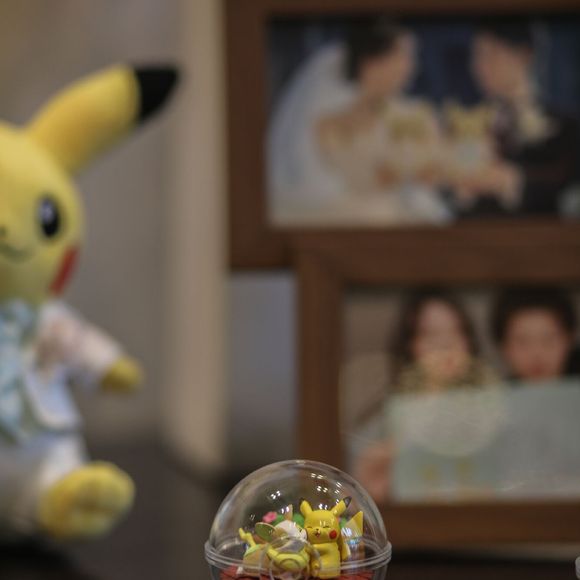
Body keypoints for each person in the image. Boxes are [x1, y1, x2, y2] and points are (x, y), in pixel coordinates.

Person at [268, 18, 451, 225]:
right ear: (371, 64)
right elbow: (314, 188)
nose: (410, 67)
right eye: (402, 56)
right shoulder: (328, 124)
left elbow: (432, 174)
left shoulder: (416, 117)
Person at [352, 290, 495, 502]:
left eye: (456, 332)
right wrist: (370, 488)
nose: (446, 344)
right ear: (410, 345)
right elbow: (357, 501)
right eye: (431, 334)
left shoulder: (492, 412)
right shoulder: (383, 421)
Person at [454, 20, 579, 217]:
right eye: (476, 56)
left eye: (491, 54)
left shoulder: (566, 126)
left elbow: (566, 184)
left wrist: (508, 181)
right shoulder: (467, 124)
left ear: (524, 56)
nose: (479, 67)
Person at [491, 287, 579, 382]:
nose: (536, 354)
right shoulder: (491, 391)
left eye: (548, 340)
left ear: (570, 339)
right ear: (503, 345)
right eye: (522, 342)